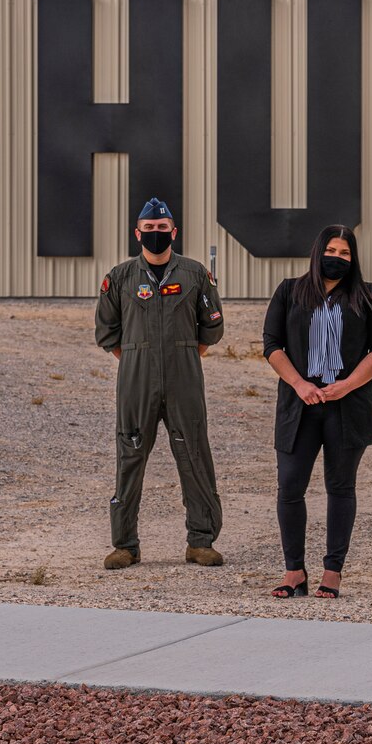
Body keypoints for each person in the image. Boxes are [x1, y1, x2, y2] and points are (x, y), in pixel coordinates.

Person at [94, 197, 227, 570]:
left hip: (184, 378)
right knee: (130, 457)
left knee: (195, 455)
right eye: (149, 229)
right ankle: (125, 545)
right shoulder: (119, 277)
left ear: (174, 231)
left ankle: (201, 541)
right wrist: (140, 358)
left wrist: (181, 356)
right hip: (136, 380)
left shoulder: (195, 274)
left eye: (162, 228)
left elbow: (212, 327)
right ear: (137, 233)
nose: (156, 234)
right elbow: (107, 331)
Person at [261, 225, 372, 599]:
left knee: (340, 487)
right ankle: (293, 572)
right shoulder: (289, 291)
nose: (338, 257)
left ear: (354, 259)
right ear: (318, 253)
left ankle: (332, 572)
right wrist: (300, 385)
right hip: (300, 405)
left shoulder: (366, 296)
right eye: (332, 250)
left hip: (347, 405)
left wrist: (346, 385)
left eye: (346, 253)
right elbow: (272, 344)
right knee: (289, 488)